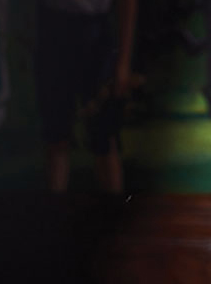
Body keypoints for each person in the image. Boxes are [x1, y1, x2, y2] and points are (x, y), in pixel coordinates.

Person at [35, 0, 137, 192]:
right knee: (56, 138)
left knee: (105, 139)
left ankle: (113, 217)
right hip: (53, 29)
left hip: (96, 35)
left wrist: (123, 61)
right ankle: (55, 217)